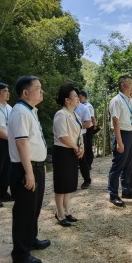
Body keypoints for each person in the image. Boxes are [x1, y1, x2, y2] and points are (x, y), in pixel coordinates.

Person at [7, 75, 50, 263]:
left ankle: (30, 239)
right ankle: (20, 254)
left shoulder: (30, 110)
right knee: (24, 211)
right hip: (26, 168)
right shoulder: (20, 112)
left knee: (34, 208)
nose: (42, 91)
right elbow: (22, 143)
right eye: (38, 88)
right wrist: (29, 172)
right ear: (25, 92)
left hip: (35, 166)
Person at [53, 83, 84, 226]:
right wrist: (76, 147)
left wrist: (81, 147)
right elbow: (62, 136)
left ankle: (66, 210)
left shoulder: (75, 114)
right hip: (63, 152)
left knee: (69, 183)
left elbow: (79, 133)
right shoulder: (61, 114)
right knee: (61, 184)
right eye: (75, 96)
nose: (78, 98)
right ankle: (59, 213)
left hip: (73, 150)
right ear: (67, 100)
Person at [107, 75, 132, 207]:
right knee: (118, 165)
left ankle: (127, 189)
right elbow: (115, 122)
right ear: (123, 85)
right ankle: (113, 194)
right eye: (130, 83)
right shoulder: (116, 101)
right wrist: (119, 142)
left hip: (131, 134)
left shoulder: (131, 101)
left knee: (129, 164)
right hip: (122, 134)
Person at [75, 96, 92, 189]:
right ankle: (72, 181)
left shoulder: (84, 108)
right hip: (69, 137)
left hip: (80, 136)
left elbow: (88, 124)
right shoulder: (65, 109)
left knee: (82, 159)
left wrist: (74, 127)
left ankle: (87, 180)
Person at [79, 91, 96, 169]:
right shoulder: (81, 106)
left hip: (89, 128)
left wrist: (94, 126)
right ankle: (84, 163)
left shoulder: (88, 106)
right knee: (84, 145)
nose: (79, 99)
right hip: (84, 128)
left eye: (80, 98)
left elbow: (92, 118)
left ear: (85, 98)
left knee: (88, 145)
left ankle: (89, 163)